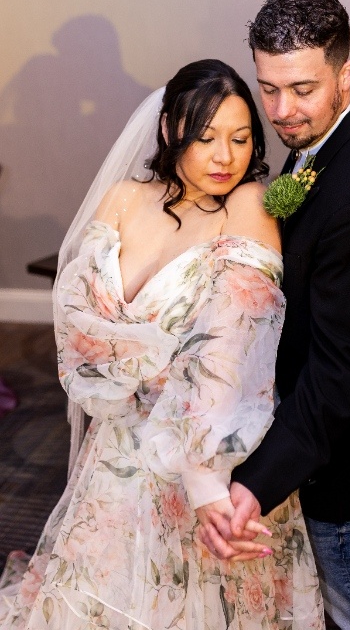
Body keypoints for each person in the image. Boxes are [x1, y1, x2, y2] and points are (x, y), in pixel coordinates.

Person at [0, 59, 324, 630]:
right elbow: (75, 319)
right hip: (118, 449)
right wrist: (151, 356)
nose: (227, 157)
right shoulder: (123, 198)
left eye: (242, 139)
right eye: (206, 138)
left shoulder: (248, 206)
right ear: (172, 130)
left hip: (205, 454)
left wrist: (204, 481)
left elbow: (231, 351)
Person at [201, 0, 350, 630]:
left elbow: (341, 375)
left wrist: (254, 486)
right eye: (268, 88)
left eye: (301, 89)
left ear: (346, 74)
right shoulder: (321, 142)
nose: (282, 111)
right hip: (337, 427)